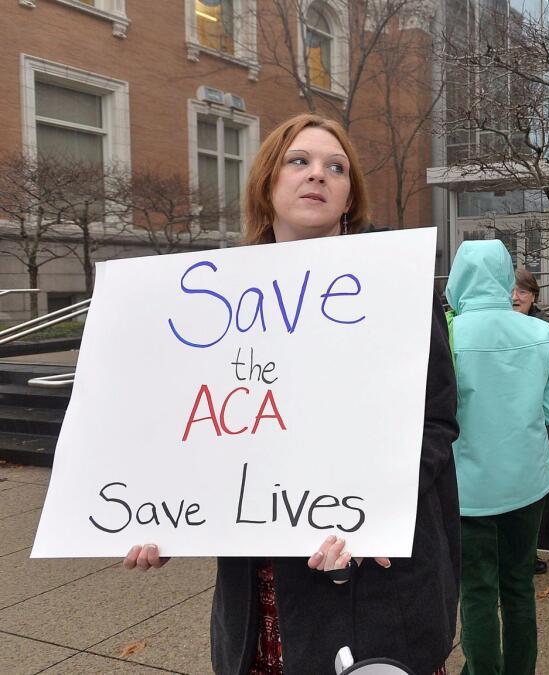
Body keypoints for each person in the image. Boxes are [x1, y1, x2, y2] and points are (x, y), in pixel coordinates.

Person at [123, 114, 461, 675]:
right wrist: (166, 510)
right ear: (267, 183)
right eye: (298, 161)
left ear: (350, 197)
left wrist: (374, 507)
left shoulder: (391, 286)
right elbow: (205, 424)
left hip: (368, 579)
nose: (317, 175)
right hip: (262, 585)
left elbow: (437, 422)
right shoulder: (219, 302)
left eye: (336, 167)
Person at [446, 241, 549, 675]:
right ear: (504, 277)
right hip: (527, 479)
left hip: (467, 489)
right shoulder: (538, 332)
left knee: (478, 591)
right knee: (518, 585)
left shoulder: (449, 334)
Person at [511, 268, 549, 575]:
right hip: (509, 428)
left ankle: (528, 550)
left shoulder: (546, 327)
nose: (515, 297)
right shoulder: (499, 326)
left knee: (534, 496)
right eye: (511, 290)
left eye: (523, 291)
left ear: (533, 295)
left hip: (542, 427)